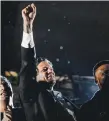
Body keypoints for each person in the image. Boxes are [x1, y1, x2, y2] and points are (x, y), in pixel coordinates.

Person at [19, 3, 77, 121]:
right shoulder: (31, 93)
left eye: (51, 68)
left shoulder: (60, 96)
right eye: (45, 69)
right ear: (34, 76)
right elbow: (27, 62)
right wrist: (28, 25)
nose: (50, 71)